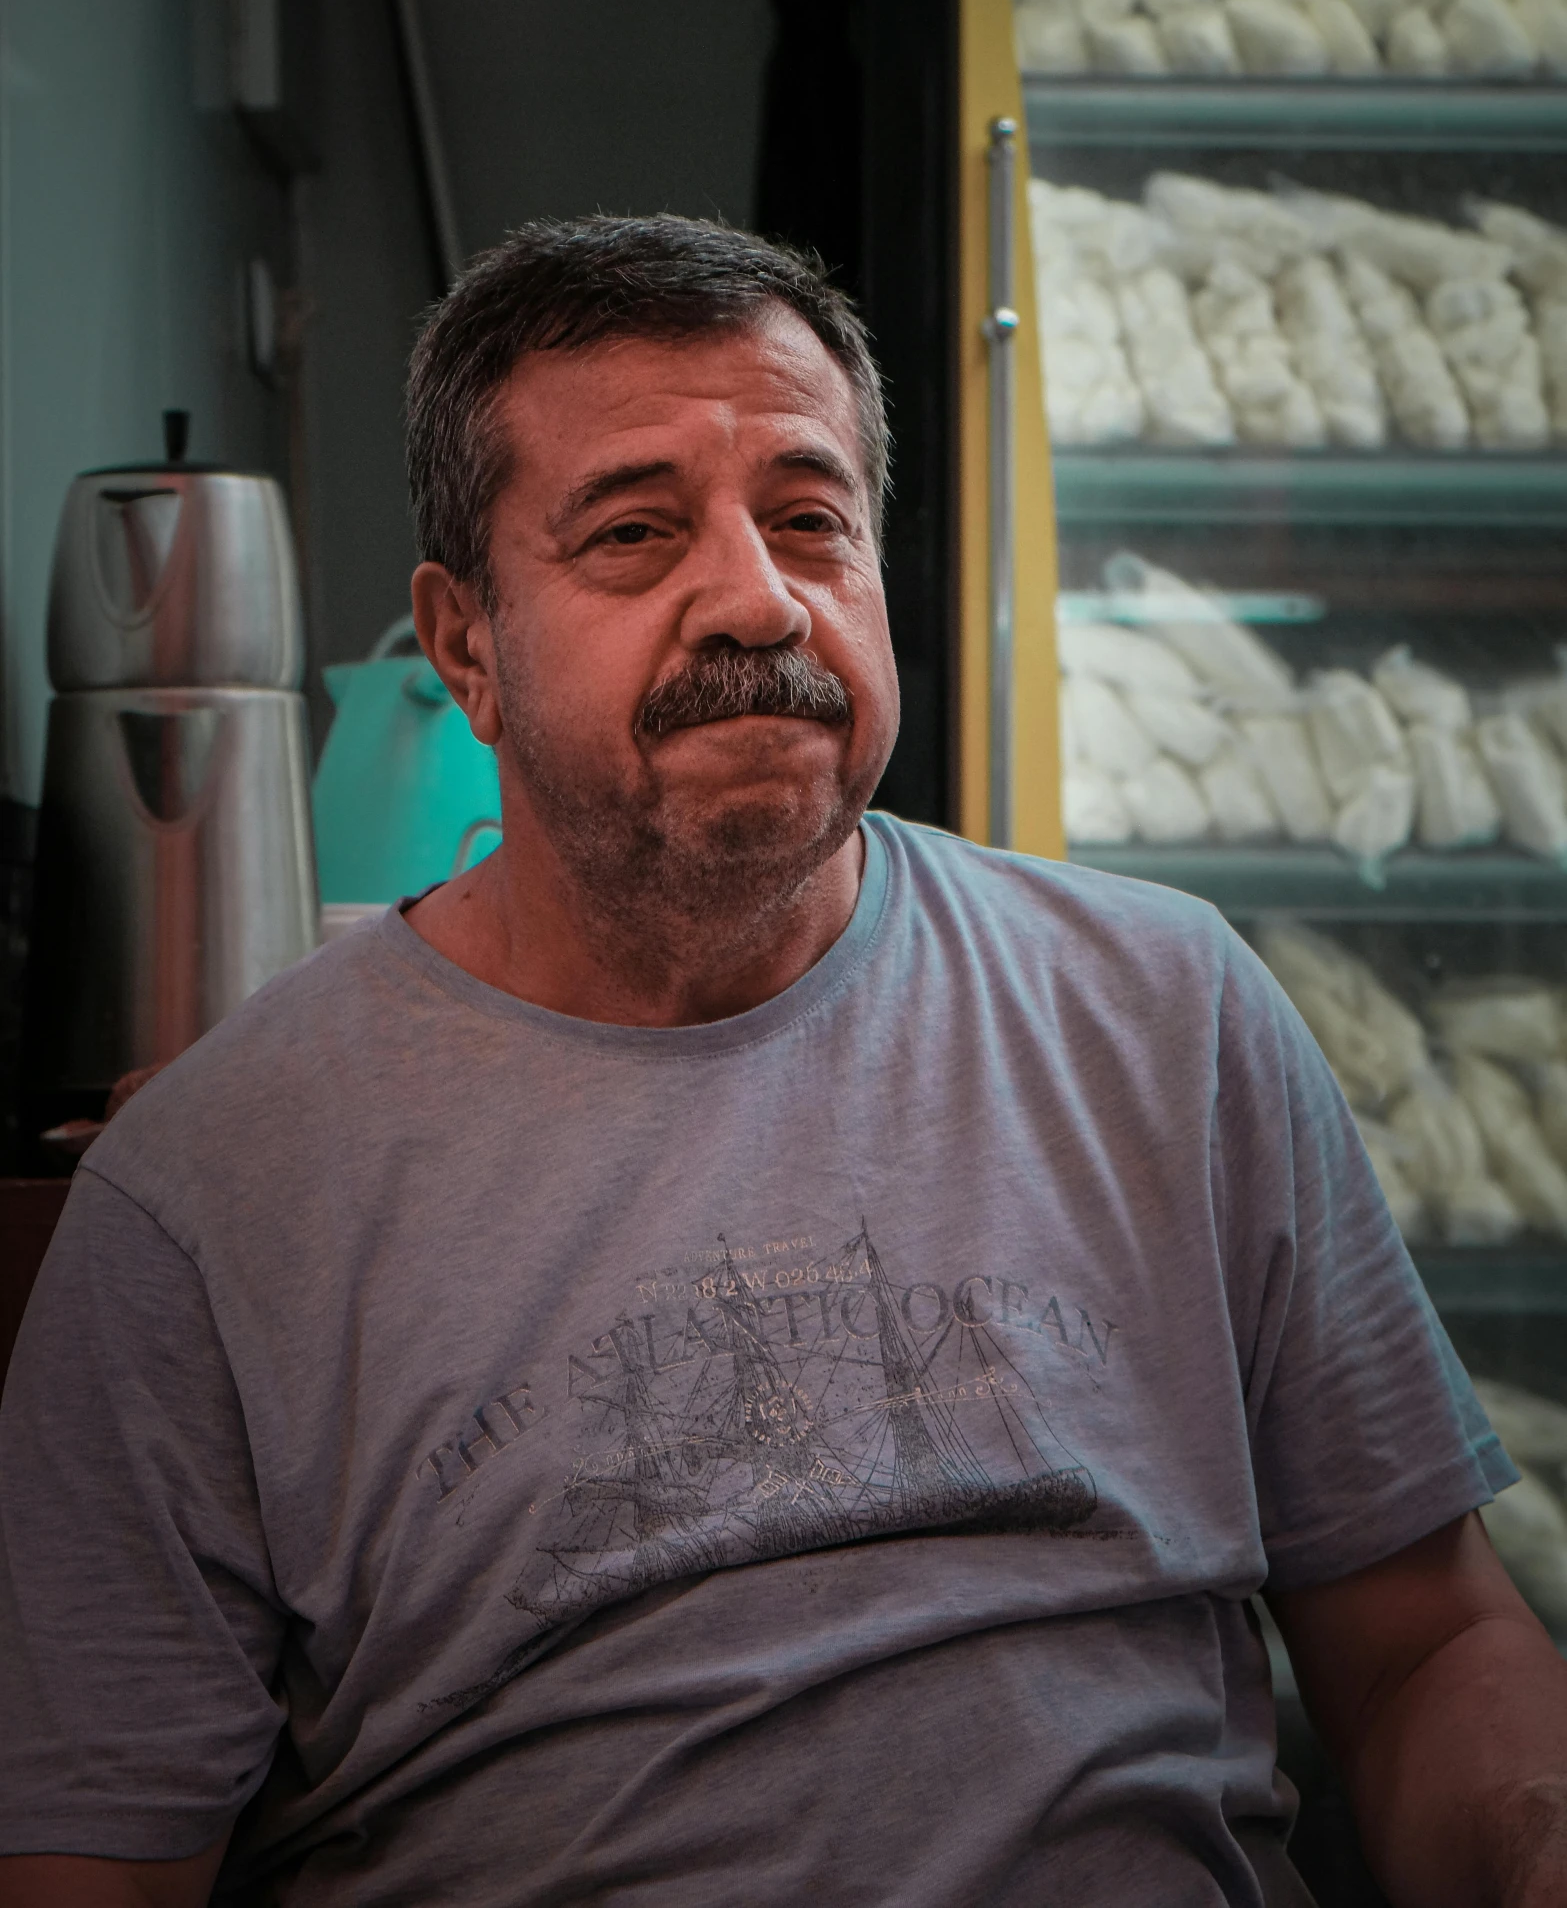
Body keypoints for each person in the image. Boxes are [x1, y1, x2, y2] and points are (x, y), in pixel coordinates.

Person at [1, 215, 1564, 1908]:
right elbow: (100, 1865)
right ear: (464, 647)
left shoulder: (1167, 1015)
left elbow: (1420, 1652)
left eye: (809, 518)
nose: (756, 594)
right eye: (632, 532)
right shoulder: (212, 1196)